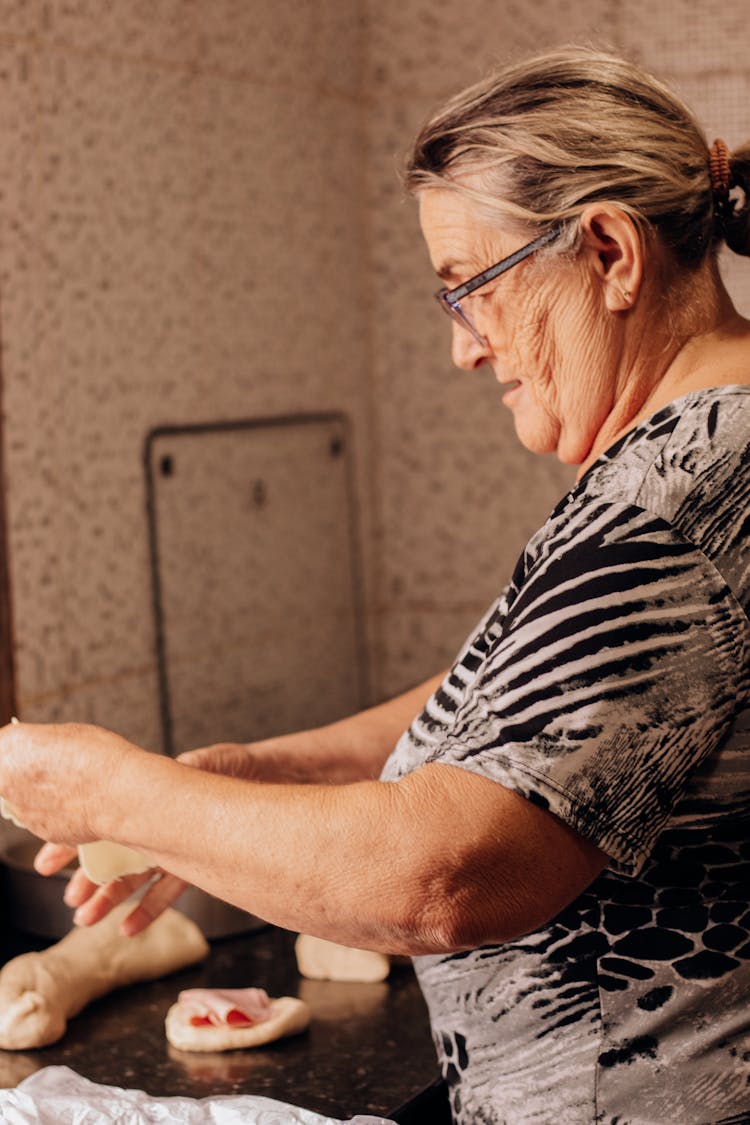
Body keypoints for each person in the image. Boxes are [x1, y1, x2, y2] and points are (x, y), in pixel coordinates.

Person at [1, 45, 750, 1124]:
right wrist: (254, 774)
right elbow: (527, 709)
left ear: (607, 252)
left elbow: (442, 879)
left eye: (472, 290)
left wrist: (114, 791)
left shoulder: (678, 502)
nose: (465, 351)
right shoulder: (684, 459)